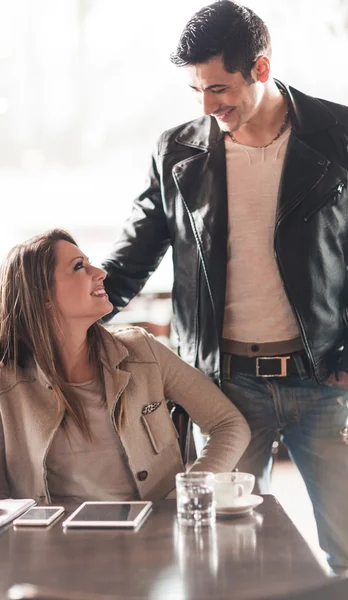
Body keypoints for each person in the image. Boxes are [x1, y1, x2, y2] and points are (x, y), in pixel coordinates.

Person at [101, 1, 348, 570]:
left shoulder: (338, 135)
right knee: (226, 555)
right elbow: (135, 253)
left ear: (260, 69)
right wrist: (67, 317)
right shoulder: (177, 151)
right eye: (196, 91)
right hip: (226, 390)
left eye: (218, 89)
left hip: (325, 382)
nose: (208, 106)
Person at [0, 228, 250, 504]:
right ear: (43, 297)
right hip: (52, 548)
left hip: (153, 540)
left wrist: (189, 492)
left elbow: (229, 425)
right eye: (79, 267)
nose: (100, 273)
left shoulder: (142, 351)